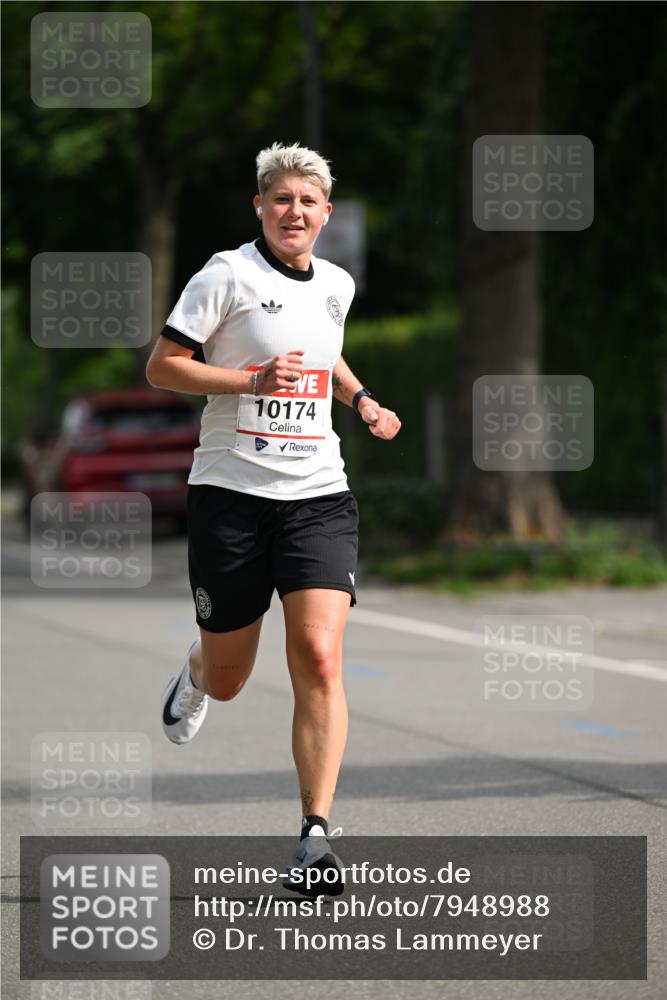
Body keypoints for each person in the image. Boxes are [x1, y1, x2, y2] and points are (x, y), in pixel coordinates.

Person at [145, 141, 401, 894]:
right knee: (230, 679)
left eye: (307, 202)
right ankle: (196, 670)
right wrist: (247, 379)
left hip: (317, 493)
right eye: (280, 199)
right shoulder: (225, 275)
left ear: (326, 214)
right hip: (230, 494)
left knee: (320, 657)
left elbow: (327, 355)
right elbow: (163, 366)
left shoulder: (337, 284)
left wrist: (359, 400)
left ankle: (314, 838)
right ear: (260, 206)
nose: (294, 212)